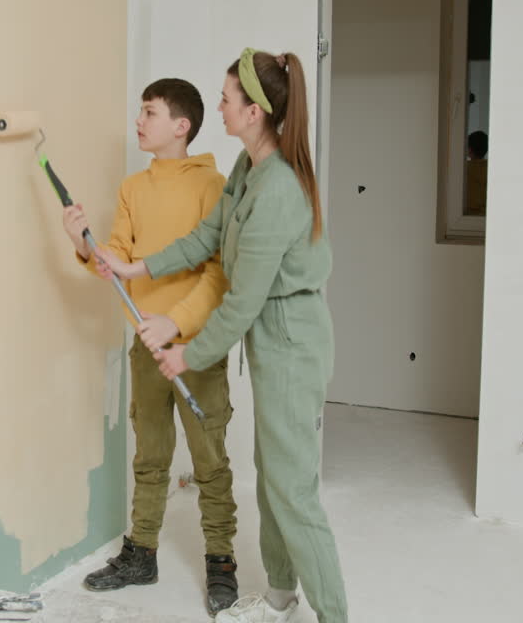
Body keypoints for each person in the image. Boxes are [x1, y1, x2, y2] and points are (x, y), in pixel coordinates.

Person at [95, 49, 348, 623]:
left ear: (254, 112)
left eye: (229, 99)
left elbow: (240, 300)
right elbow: (208, 236)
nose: (222, 107)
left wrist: (188, 353)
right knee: (272, 479)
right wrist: (140, 269)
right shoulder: (248, 167)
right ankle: (281, 597)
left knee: (294, 493)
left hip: (292, 345)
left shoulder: (279, 188)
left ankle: (335, 615)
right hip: (270, 341)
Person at [62, 78, 241, 615]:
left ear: (181, 125)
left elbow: (217, 272)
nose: (139, 121)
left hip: (198, 347)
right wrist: (81, 242)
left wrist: (177, 324)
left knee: (210, 460)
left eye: (150, 112)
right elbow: (117, 259)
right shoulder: (132, 188)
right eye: (140, 112)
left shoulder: (216, 185)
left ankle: (221, 561)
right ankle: (141, 554)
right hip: (145, 343)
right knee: (150, 456)